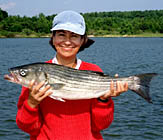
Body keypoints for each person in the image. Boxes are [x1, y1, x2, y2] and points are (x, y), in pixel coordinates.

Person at [16, 10, 128, 140]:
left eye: (74, 36)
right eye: (61, 35)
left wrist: (103, 100)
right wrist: (32, 103)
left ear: (82, 40)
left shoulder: (93, 69)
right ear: (53, 38)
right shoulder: (36, 75)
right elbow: (27, 127)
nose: (67, 42)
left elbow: (101, 126)